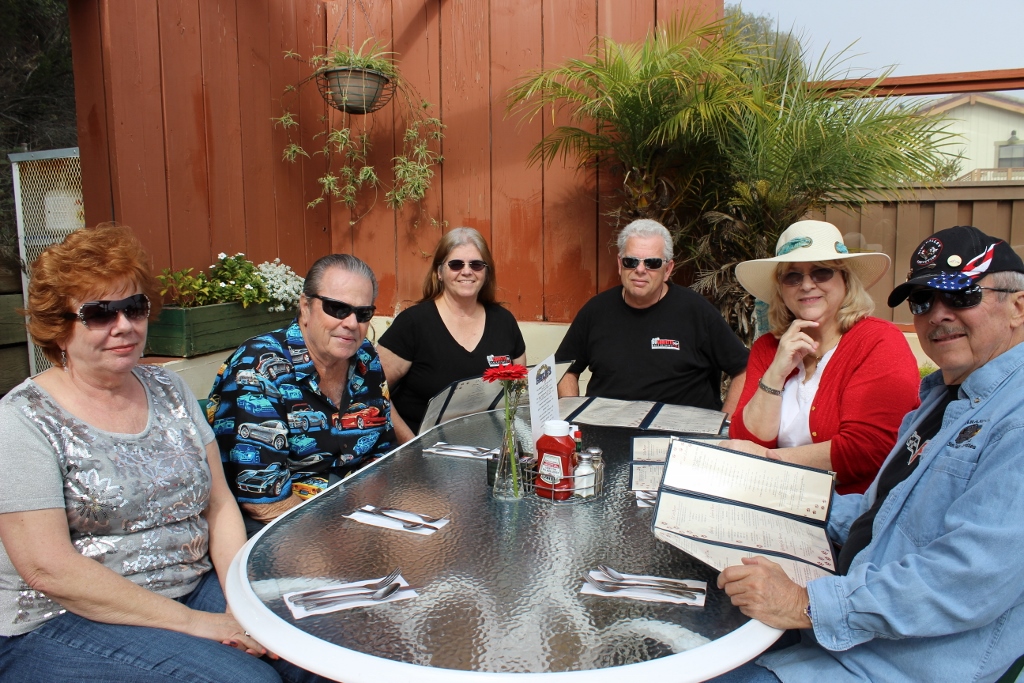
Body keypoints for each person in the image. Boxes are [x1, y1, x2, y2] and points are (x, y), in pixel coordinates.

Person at [0, 225, 318, 682]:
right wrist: (205, 625)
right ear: (59, 326)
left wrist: (238, 600)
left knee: (316, 641)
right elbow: (49, 569)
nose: (124, 325)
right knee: (243, 680)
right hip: (63, 620)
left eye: (134, 307)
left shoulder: (168, 388)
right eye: (99, 314)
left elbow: (220, 502)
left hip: (192, 585)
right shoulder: (23, 420)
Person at [712, 225, 1024, 683]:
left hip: (892, 659)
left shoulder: (1011, 417)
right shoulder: (944, 395)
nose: (938, 314)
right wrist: (787, 502)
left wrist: (804, 604)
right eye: (923, 301)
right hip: (846, 598)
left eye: (960, 296)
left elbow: (967, 579)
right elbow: (886, 509)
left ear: (1018, 307)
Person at [722, 220, 920, 494]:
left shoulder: (879, 341)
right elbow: (744, 438)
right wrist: (776, 372)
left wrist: (766, 462)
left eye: (821, 272)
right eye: (792, 276)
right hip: (768, 500)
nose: (806, 285)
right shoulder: (768, 347)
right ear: (781, 288)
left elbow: (867, 450)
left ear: (845, 280)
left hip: (845, 514)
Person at [209, 254, 395, 532]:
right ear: (305, 307)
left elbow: (383, 450)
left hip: (360, 515)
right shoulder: (258, 368)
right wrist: (339, 535)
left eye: (363, 313)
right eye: (337, 308)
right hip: (282, 528)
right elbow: (265, 501)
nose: (351, 323)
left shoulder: (366, 357)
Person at [555, 219, 748, 413]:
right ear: (620, 265)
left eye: (652, 263)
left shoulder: (697, 311)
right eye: (631, 262)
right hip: (606, 433)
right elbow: (564, 368)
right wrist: (573, 418)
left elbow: (744, 369)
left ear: (668, 269)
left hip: (681, 436)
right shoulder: (595, 310)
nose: (640, 270)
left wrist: (727, 425)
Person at [377, 228, 526, 442]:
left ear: (486, 272)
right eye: (456, 264)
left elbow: (519, 393)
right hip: (424, 454)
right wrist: (411, 447)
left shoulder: (504, 322)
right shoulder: (413, 323)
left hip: (487, 451)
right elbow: (376, 390)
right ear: (439, 272)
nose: (466, 271)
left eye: (476, 264)